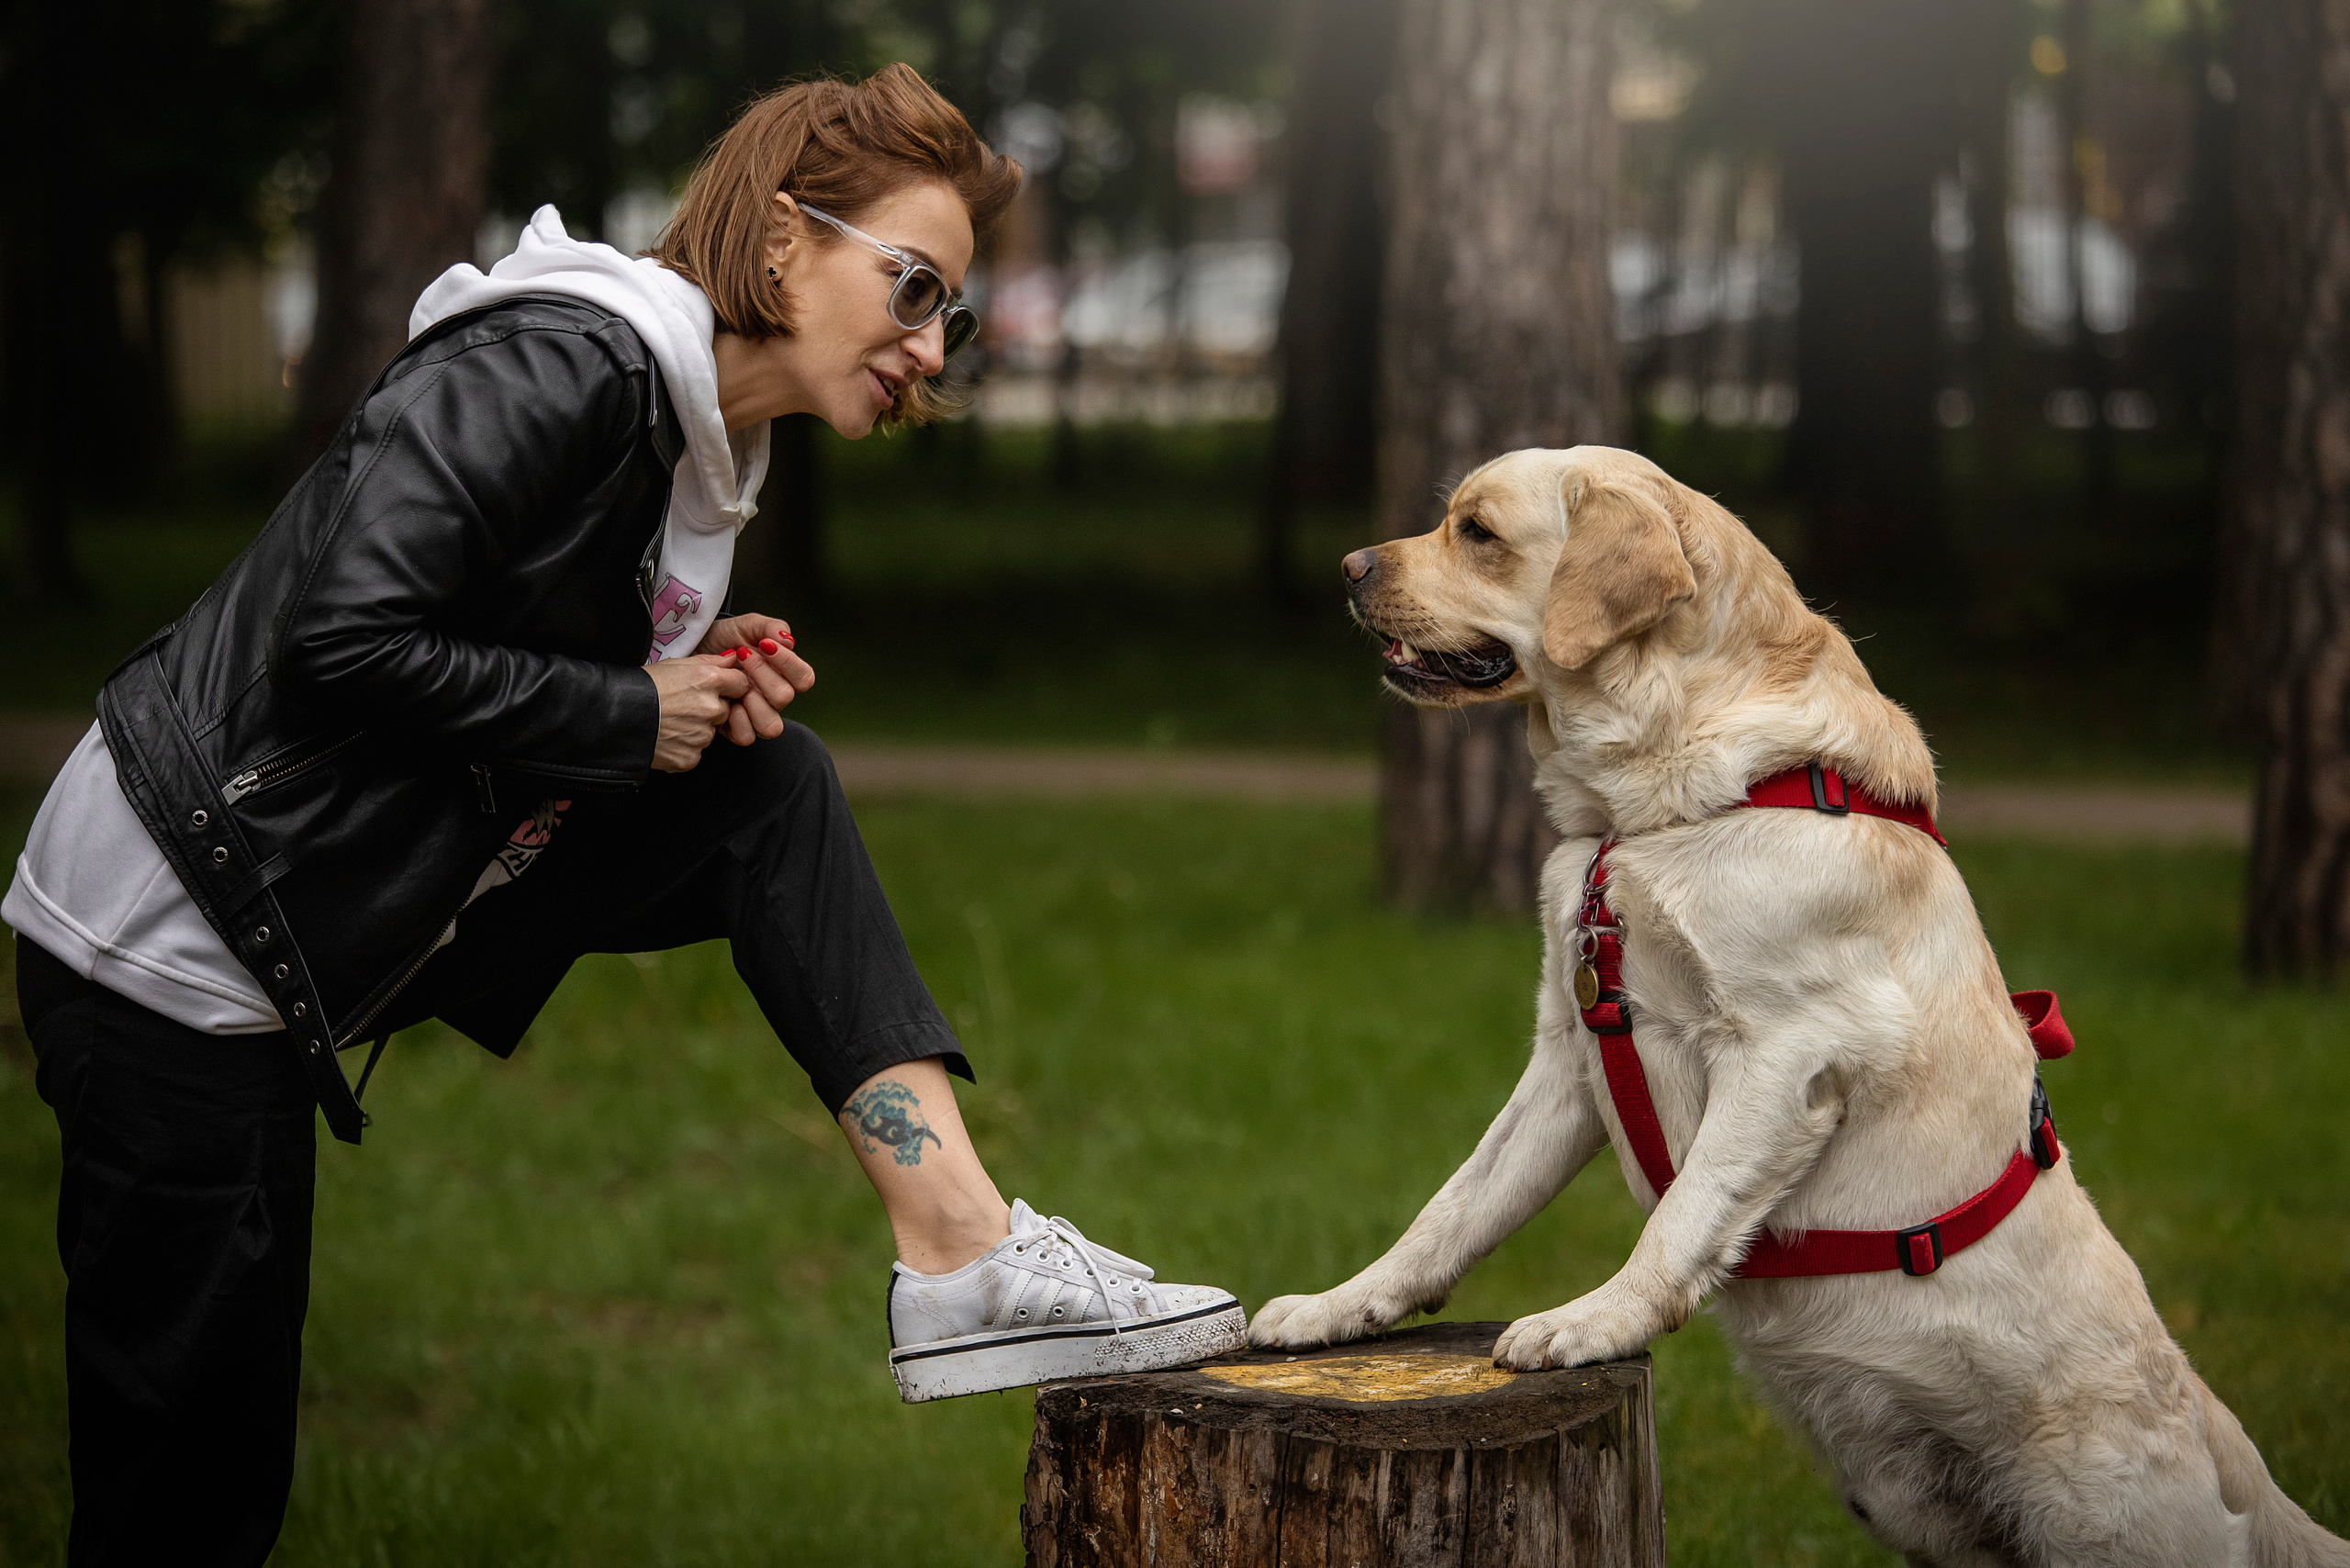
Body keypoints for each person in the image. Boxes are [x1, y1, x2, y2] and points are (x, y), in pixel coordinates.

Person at [4, 64, 1242, 1567]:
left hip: (304, 913)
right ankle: (965, 1255)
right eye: (914, 288)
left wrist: (671, 680)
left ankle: (959, 1246)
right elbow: (340, 637)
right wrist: (621, 710)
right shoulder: (559, 361)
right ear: (783, 245)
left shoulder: (699, 451)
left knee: (764, 786)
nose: (930, 350)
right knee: (189, 1497)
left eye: (952, 319)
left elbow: (498, 623)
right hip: (172, 938)